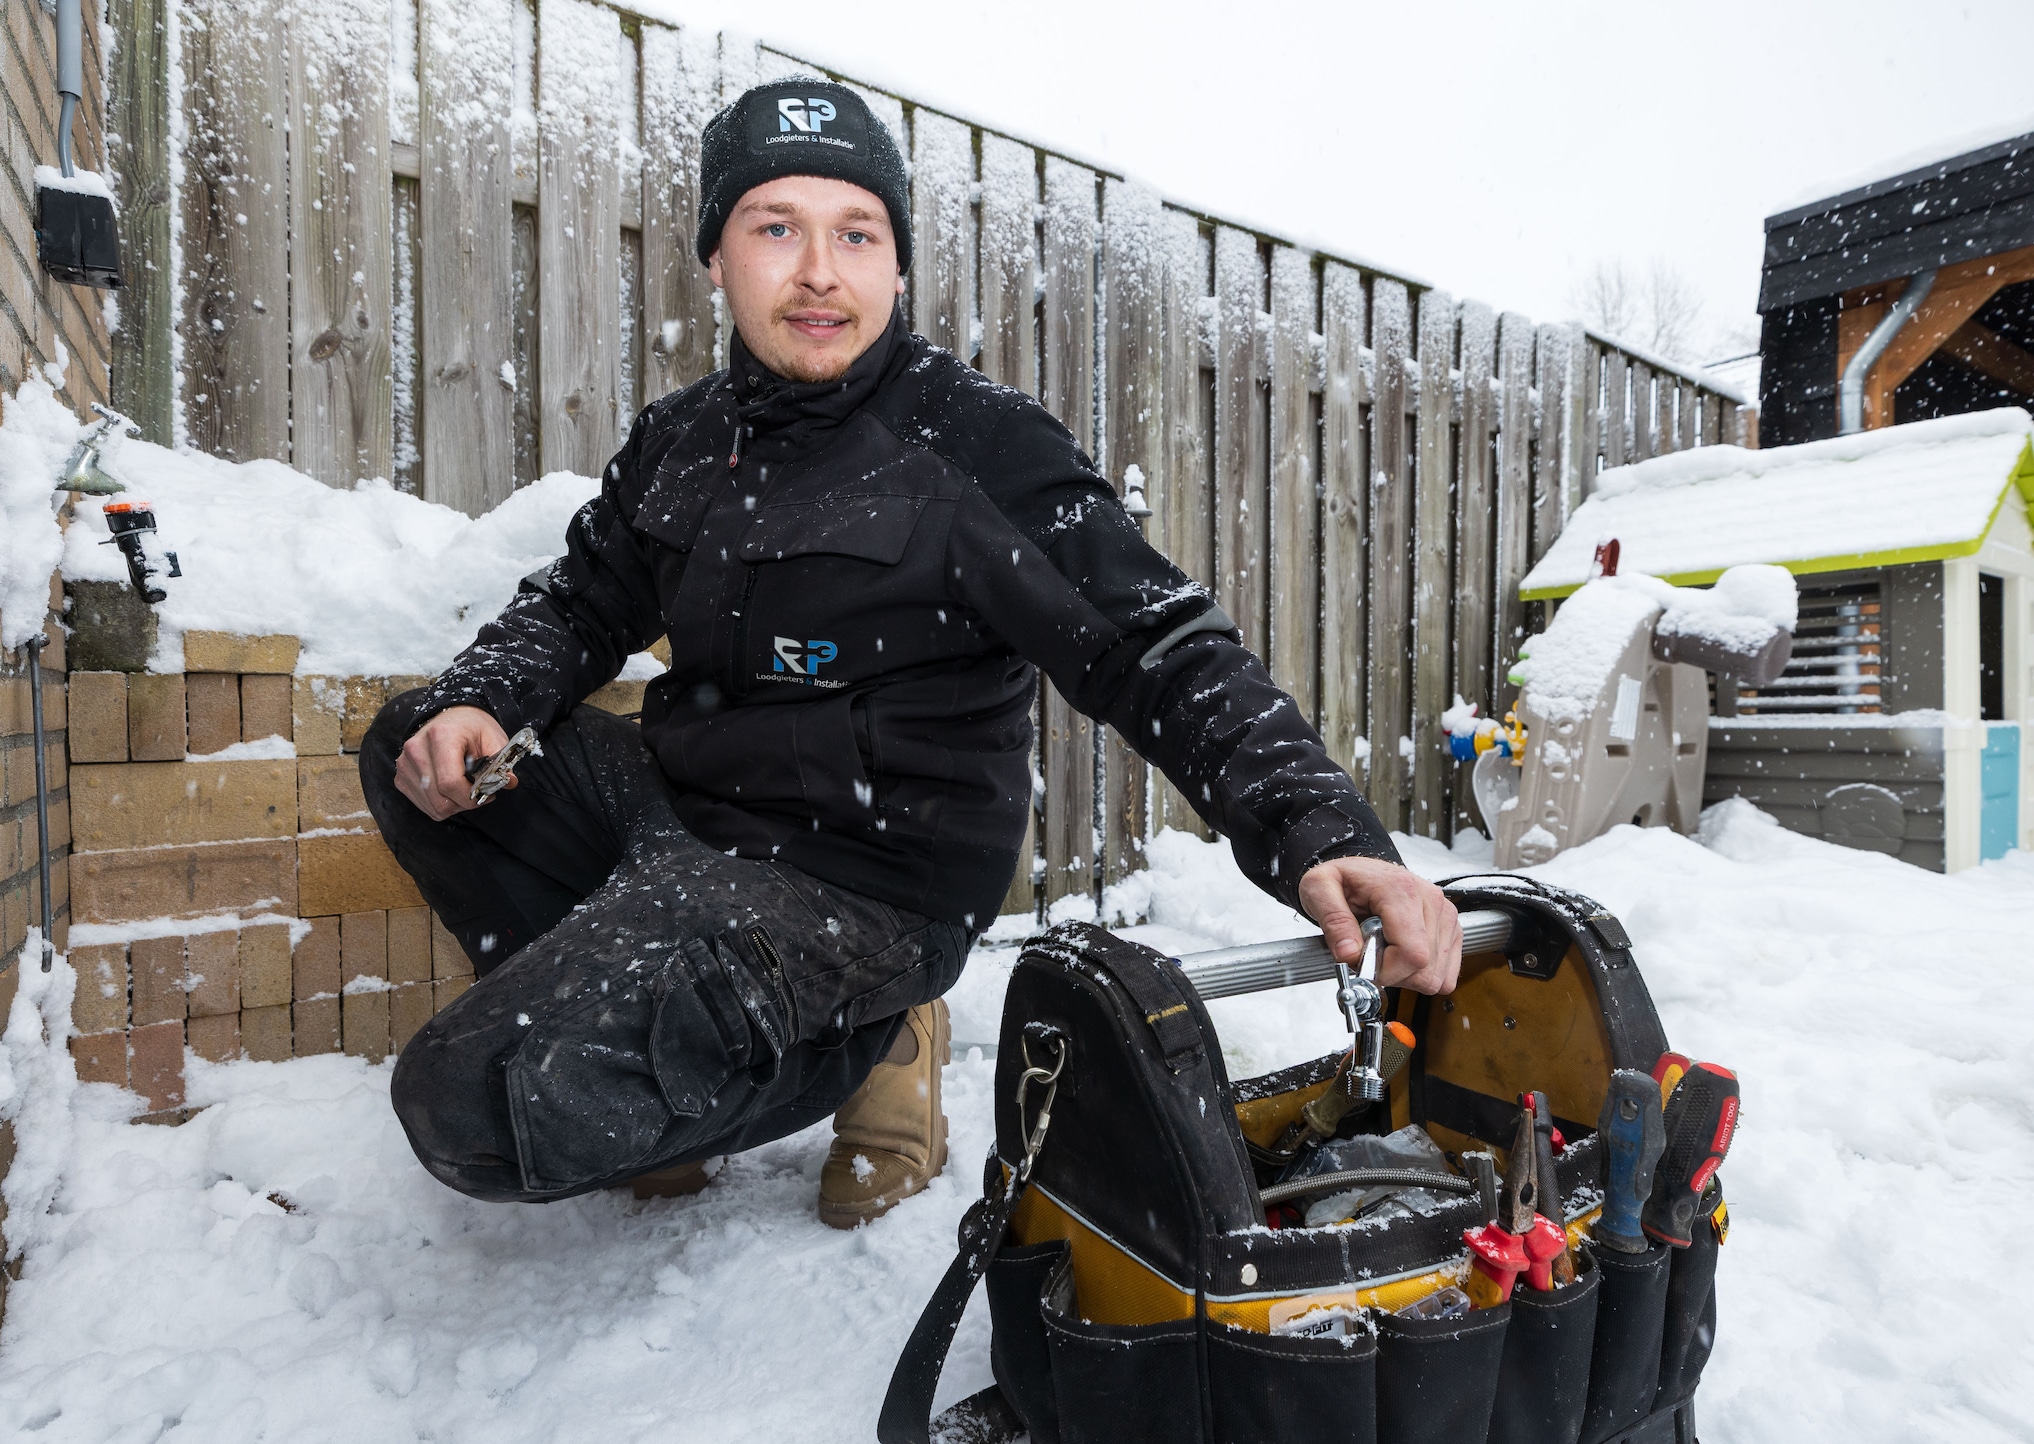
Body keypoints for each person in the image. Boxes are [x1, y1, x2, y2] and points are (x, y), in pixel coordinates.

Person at [362, 79, 1461, 1226]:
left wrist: (1321, 833)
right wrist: (482, 702)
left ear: (894, 264)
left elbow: (1158, 649)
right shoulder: (677, 443)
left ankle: (869, 1035)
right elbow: (582, 600)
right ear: (715, 260)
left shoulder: (975, 446)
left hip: (862, 881)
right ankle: (665, 1061)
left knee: (465, 1105)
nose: (819, 272)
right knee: (415, 742)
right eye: (774, 227)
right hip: (682, 827)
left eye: (856, 233)